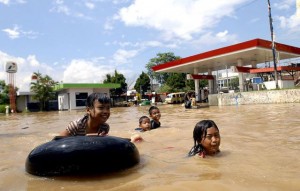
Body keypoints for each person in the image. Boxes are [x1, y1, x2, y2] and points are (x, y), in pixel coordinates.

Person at [59, 93, 142, 142]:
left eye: (108, 108)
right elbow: (58, 141)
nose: (106, 111)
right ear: (88, 110)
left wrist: (130, 140)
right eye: (101, 108)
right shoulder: (76, 125)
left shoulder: (104, 127)